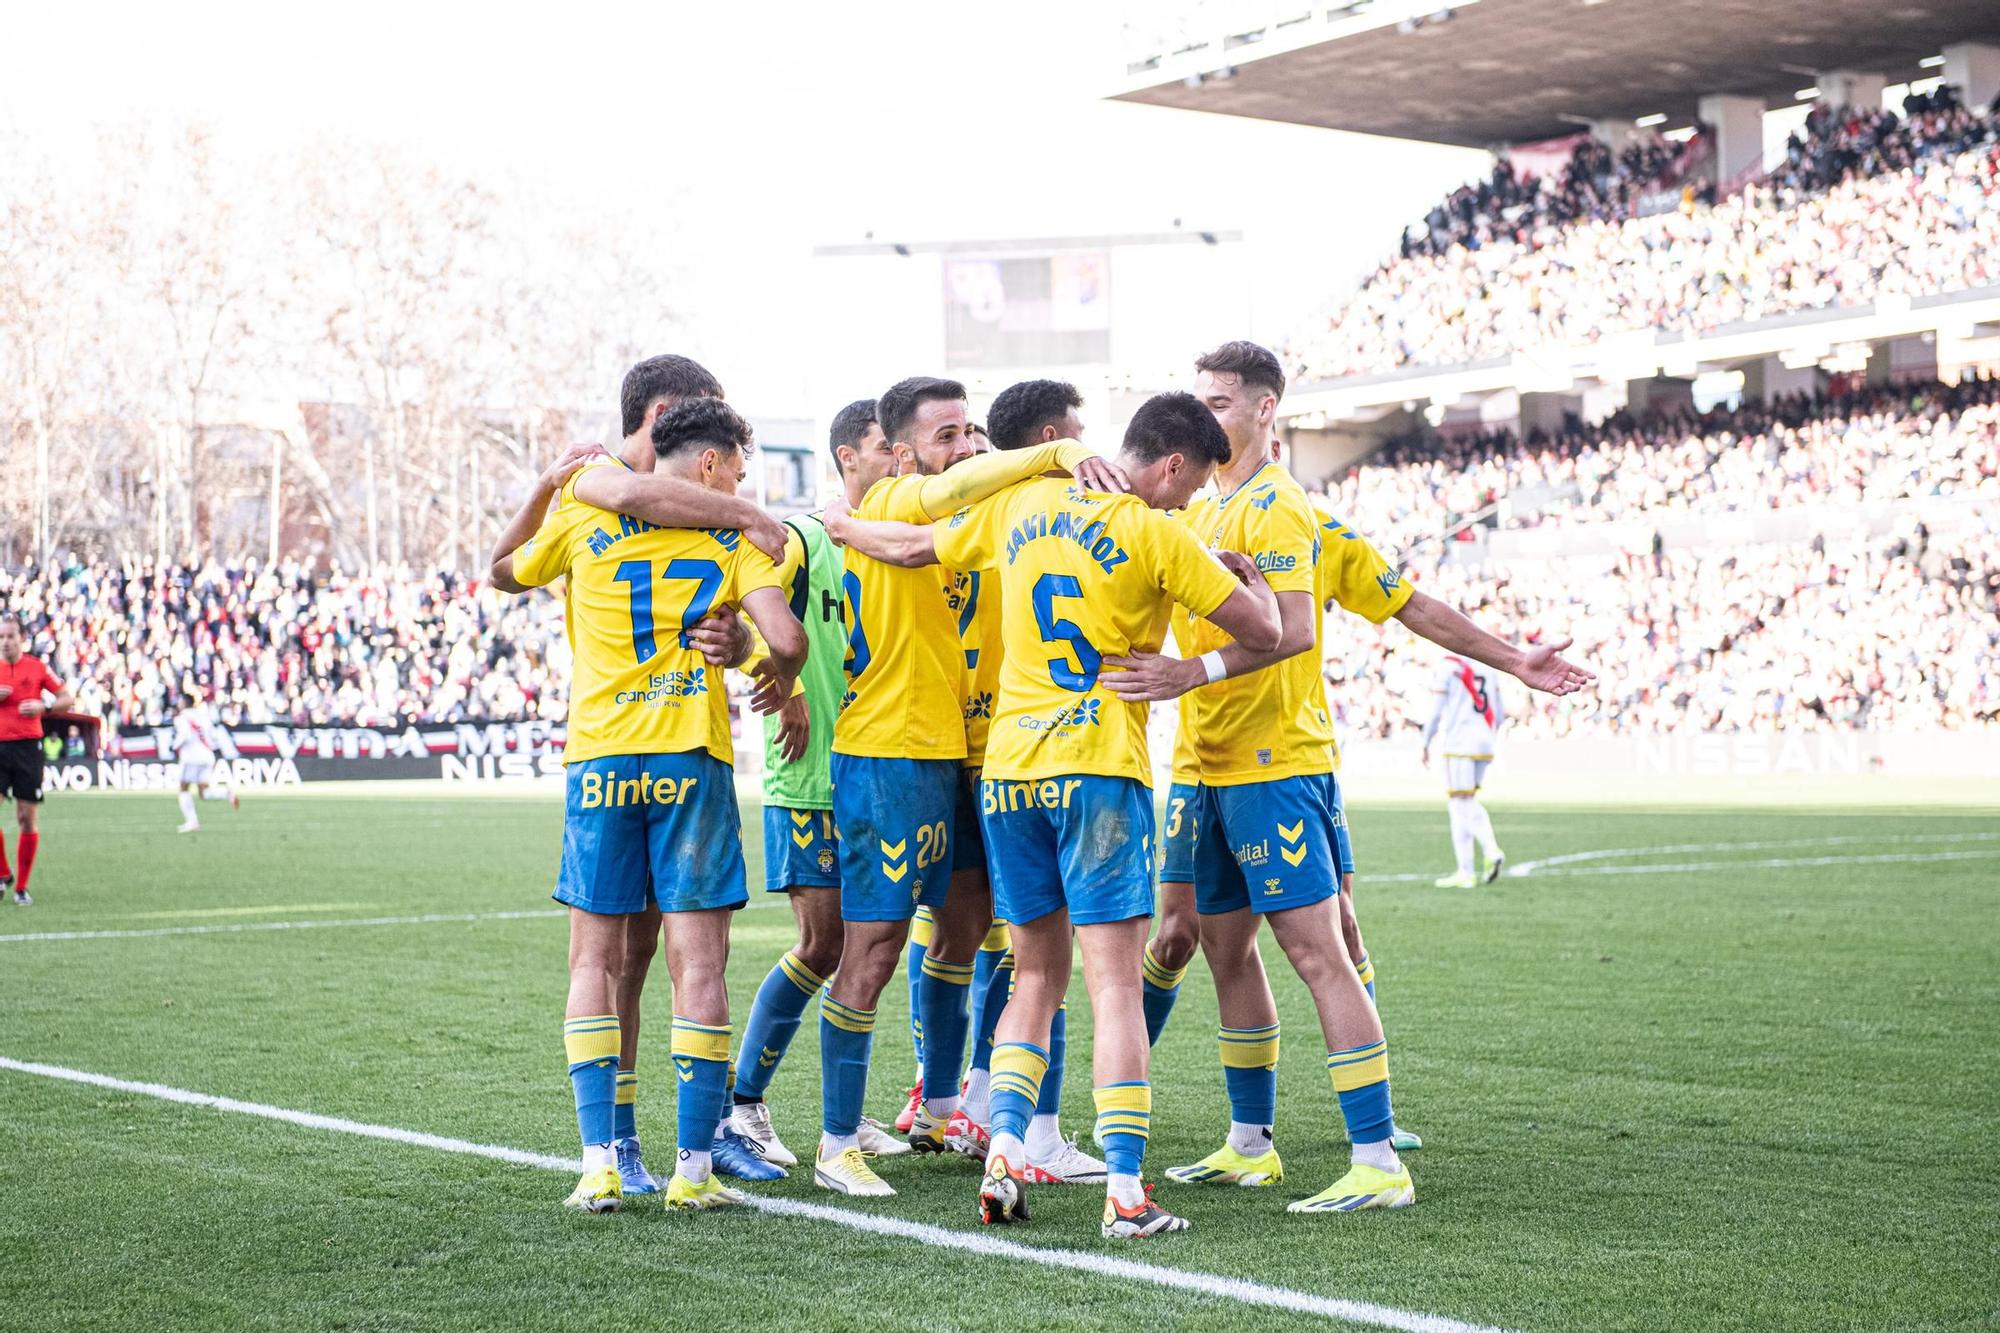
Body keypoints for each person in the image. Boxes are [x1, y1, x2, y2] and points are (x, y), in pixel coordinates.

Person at [1104, 341, 1593, 1214]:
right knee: (1222, 948)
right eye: (1199, 399)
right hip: (1204, 764)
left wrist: (1516, 659)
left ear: (1264, 410)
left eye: (1222, 401)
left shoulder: (1280, 509)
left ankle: (1375, 1157)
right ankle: (1251, 1144)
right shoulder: (1198, 509)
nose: (1205, 412)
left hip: (1274, 763)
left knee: (1317, 949)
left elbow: (1334, 620)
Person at [830, 390, 1282, 1238]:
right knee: (1112, 981)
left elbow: (916, 546)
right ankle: (1125, 1192)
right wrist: (1206, 645)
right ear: (1173, 464)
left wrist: (839, 526)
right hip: (1096, 769)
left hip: (1008, 773)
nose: (1187, 503)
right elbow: (1264, 629)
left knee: (1031, 974)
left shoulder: (1022, 504)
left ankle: (1003, 1147)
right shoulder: (1157, 533)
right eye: (1190, 487)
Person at [492, 397, 806, 1214]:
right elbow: (791, 643)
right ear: (710, 462)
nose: (741, 480)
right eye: (737, 465)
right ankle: (693, 1173)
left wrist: (543, 487)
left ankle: (599, 1162)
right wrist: (748, 646)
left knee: (592, 962)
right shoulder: (734, 537)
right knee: (697, 965)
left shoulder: (584, 512)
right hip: (688, 759)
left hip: (599, 760)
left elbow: (500, 568)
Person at [811, 375, 1116, 1198]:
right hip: (889, 752)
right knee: (871, 948)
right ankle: (837, 1138)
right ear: (904, 453)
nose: (968, 447)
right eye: (947, 435)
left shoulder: (982, 515)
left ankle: (947, 1101)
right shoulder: (904, 497)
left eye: (972, 430)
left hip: (970, 752)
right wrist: (1052, 449)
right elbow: (948, 491)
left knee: (972, 929)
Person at [724, 399, 908, 1168]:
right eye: (881, 448)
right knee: (822, 942)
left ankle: (849, 1112)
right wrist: (785, 681)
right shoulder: (803, 538)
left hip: (879, 774)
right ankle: (743, 1103)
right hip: (810, 772)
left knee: (872, 946)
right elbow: (734, 617)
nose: (897, 460)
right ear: (846, 457)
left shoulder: (899, 541)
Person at [0, 615, 73, 906]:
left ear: (21, 639)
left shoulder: (37, 667)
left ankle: (22, 888)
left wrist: (45, 705)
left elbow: (67, 697)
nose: (5, 642)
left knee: (26, 818)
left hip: (28, 748)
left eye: (10, 636)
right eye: (2, 636)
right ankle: (4, 873)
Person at [1423, 653, 1507, 887]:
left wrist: (1425, 741)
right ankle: (1465, 871)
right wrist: (1490, 736)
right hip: (1485, 741)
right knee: (1459, 805)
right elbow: (1499, 712)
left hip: (1459, 743)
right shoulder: (1489, 666)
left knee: (1462, 802)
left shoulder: (1448, 666)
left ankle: (1491, 850)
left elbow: (1436, 712)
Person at [171, 690, 239, 832]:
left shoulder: (181, 718)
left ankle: (192, 822)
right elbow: (213, 735)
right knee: (204, 792)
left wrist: (174, 746)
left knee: (184, 788)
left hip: (191, 757)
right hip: (207, 756)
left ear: (183, 703)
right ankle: (227, 793)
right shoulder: (203, 716)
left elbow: (184, 735)